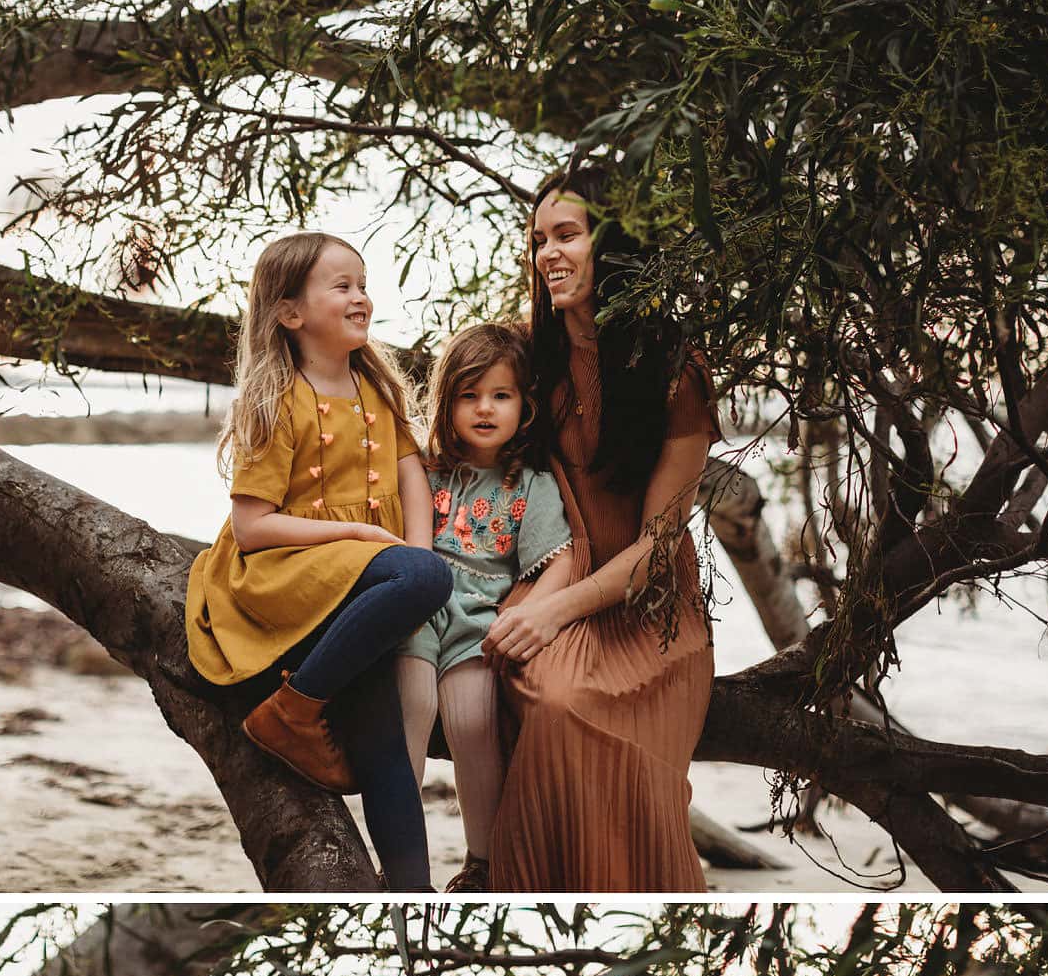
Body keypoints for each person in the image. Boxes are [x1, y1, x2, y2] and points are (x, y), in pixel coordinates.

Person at [184, 234, 452, 887]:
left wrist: (413, 560)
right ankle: (294, 709)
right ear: (290, 313)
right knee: (426, 577)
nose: (360, 297)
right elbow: (251, 527)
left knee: (384, 745)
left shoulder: (375, 389)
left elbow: (410, 473)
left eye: (362, 283)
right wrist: (370, 545)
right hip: (286, 575)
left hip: (359, 586)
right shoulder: (276, 399)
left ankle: (412, 897)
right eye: (341, 286)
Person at [485, 180, 715, 895]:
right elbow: (453, 444)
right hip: (553, 571)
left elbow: (658, 544)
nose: (548, 253)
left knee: (569, 708)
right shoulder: (528, 359)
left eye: (566, 235)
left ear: (614, 243)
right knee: (546, 695)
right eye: (538, 241)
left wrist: (554, 613)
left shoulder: (676, 370)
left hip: (648, 606)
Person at [406, 320, 573, 882]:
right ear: (446, 401)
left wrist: (532, 615)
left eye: (500, 396)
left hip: (477, 619)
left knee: (474, 723)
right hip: (412, 611)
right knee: (409, 710)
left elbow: (562, 559)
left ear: (524, 406)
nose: (484, 409)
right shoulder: (424, 471)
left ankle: (482, 859)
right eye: (469, 396)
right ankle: (402, 856)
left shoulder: (530, 484)